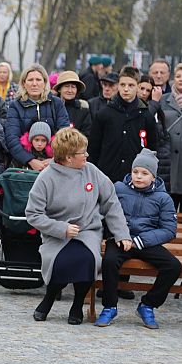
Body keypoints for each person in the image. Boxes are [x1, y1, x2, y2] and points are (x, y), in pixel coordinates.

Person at [25, 127, 131, 325]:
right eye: (82, 152)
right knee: (61, 261)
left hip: (88, 231)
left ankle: (77, 303)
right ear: (67, 157)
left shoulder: (91, 171)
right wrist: (60, 228)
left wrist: (121, 234)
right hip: (57, 235)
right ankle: (48, 299)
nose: (87, 155)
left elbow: (111, 202)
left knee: (88, 260)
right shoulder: (46, 178)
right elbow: (33, 214)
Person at [95, 148, 180, 329]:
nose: (138, 176)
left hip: (146, 242)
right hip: (120, 239)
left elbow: (169, 229)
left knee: (173, 267)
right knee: (109, 261)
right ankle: (110, 306)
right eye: (135, 172)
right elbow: (106, 213)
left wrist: (141, 241)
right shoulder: (118, 188)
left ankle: (147, 305)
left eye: (144, 173)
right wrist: (118, 235)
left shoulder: (163, 198)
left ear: (154, 177)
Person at [89, 66, 158, 183]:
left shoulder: (146, 116)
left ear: (138, 86)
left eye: (131, 85)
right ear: (118, 86)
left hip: (135, 178)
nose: (126, 89)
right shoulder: (104, 113)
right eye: (122, 85)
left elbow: (152, 148)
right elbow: (94, 148)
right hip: (106, 176)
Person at [4, 63, 70, 172]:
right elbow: (11, 138)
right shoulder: (15, 106)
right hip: (23, 166)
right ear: (24, 83)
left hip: (54, 163)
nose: (34, 84)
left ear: (45, 83)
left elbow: (65, 134)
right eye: (30, 80)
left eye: (38, 80)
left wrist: (54, 159)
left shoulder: (56, 103)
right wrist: (30, 160)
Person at [158, 62, 182, 212]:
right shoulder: (163, 99)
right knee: (167, 209)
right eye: (178, 76)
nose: (181, 79)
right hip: (167, 162)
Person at [53, 71, 92, 137]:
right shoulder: (51, 107)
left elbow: (86, 134)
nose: (70, 90)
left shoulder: (82, 109)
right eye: (66, 86)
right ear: (59, 89)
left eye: (73, 87)